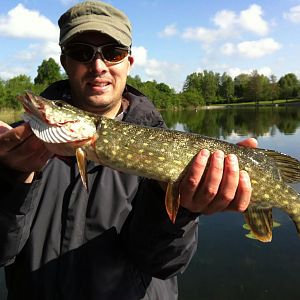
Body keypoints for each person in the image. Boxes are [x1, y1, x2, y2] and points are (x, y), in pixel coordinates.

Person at [0, 1, 256, 299]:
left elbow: (165, 263)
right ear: (65, 62)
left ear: (128, 64)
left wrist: (179, 208)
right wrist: (9, 179)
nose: (98, 66)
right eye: (82, 53)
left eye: (113, 53)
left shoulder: (159, 137)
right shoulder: (12, 146)